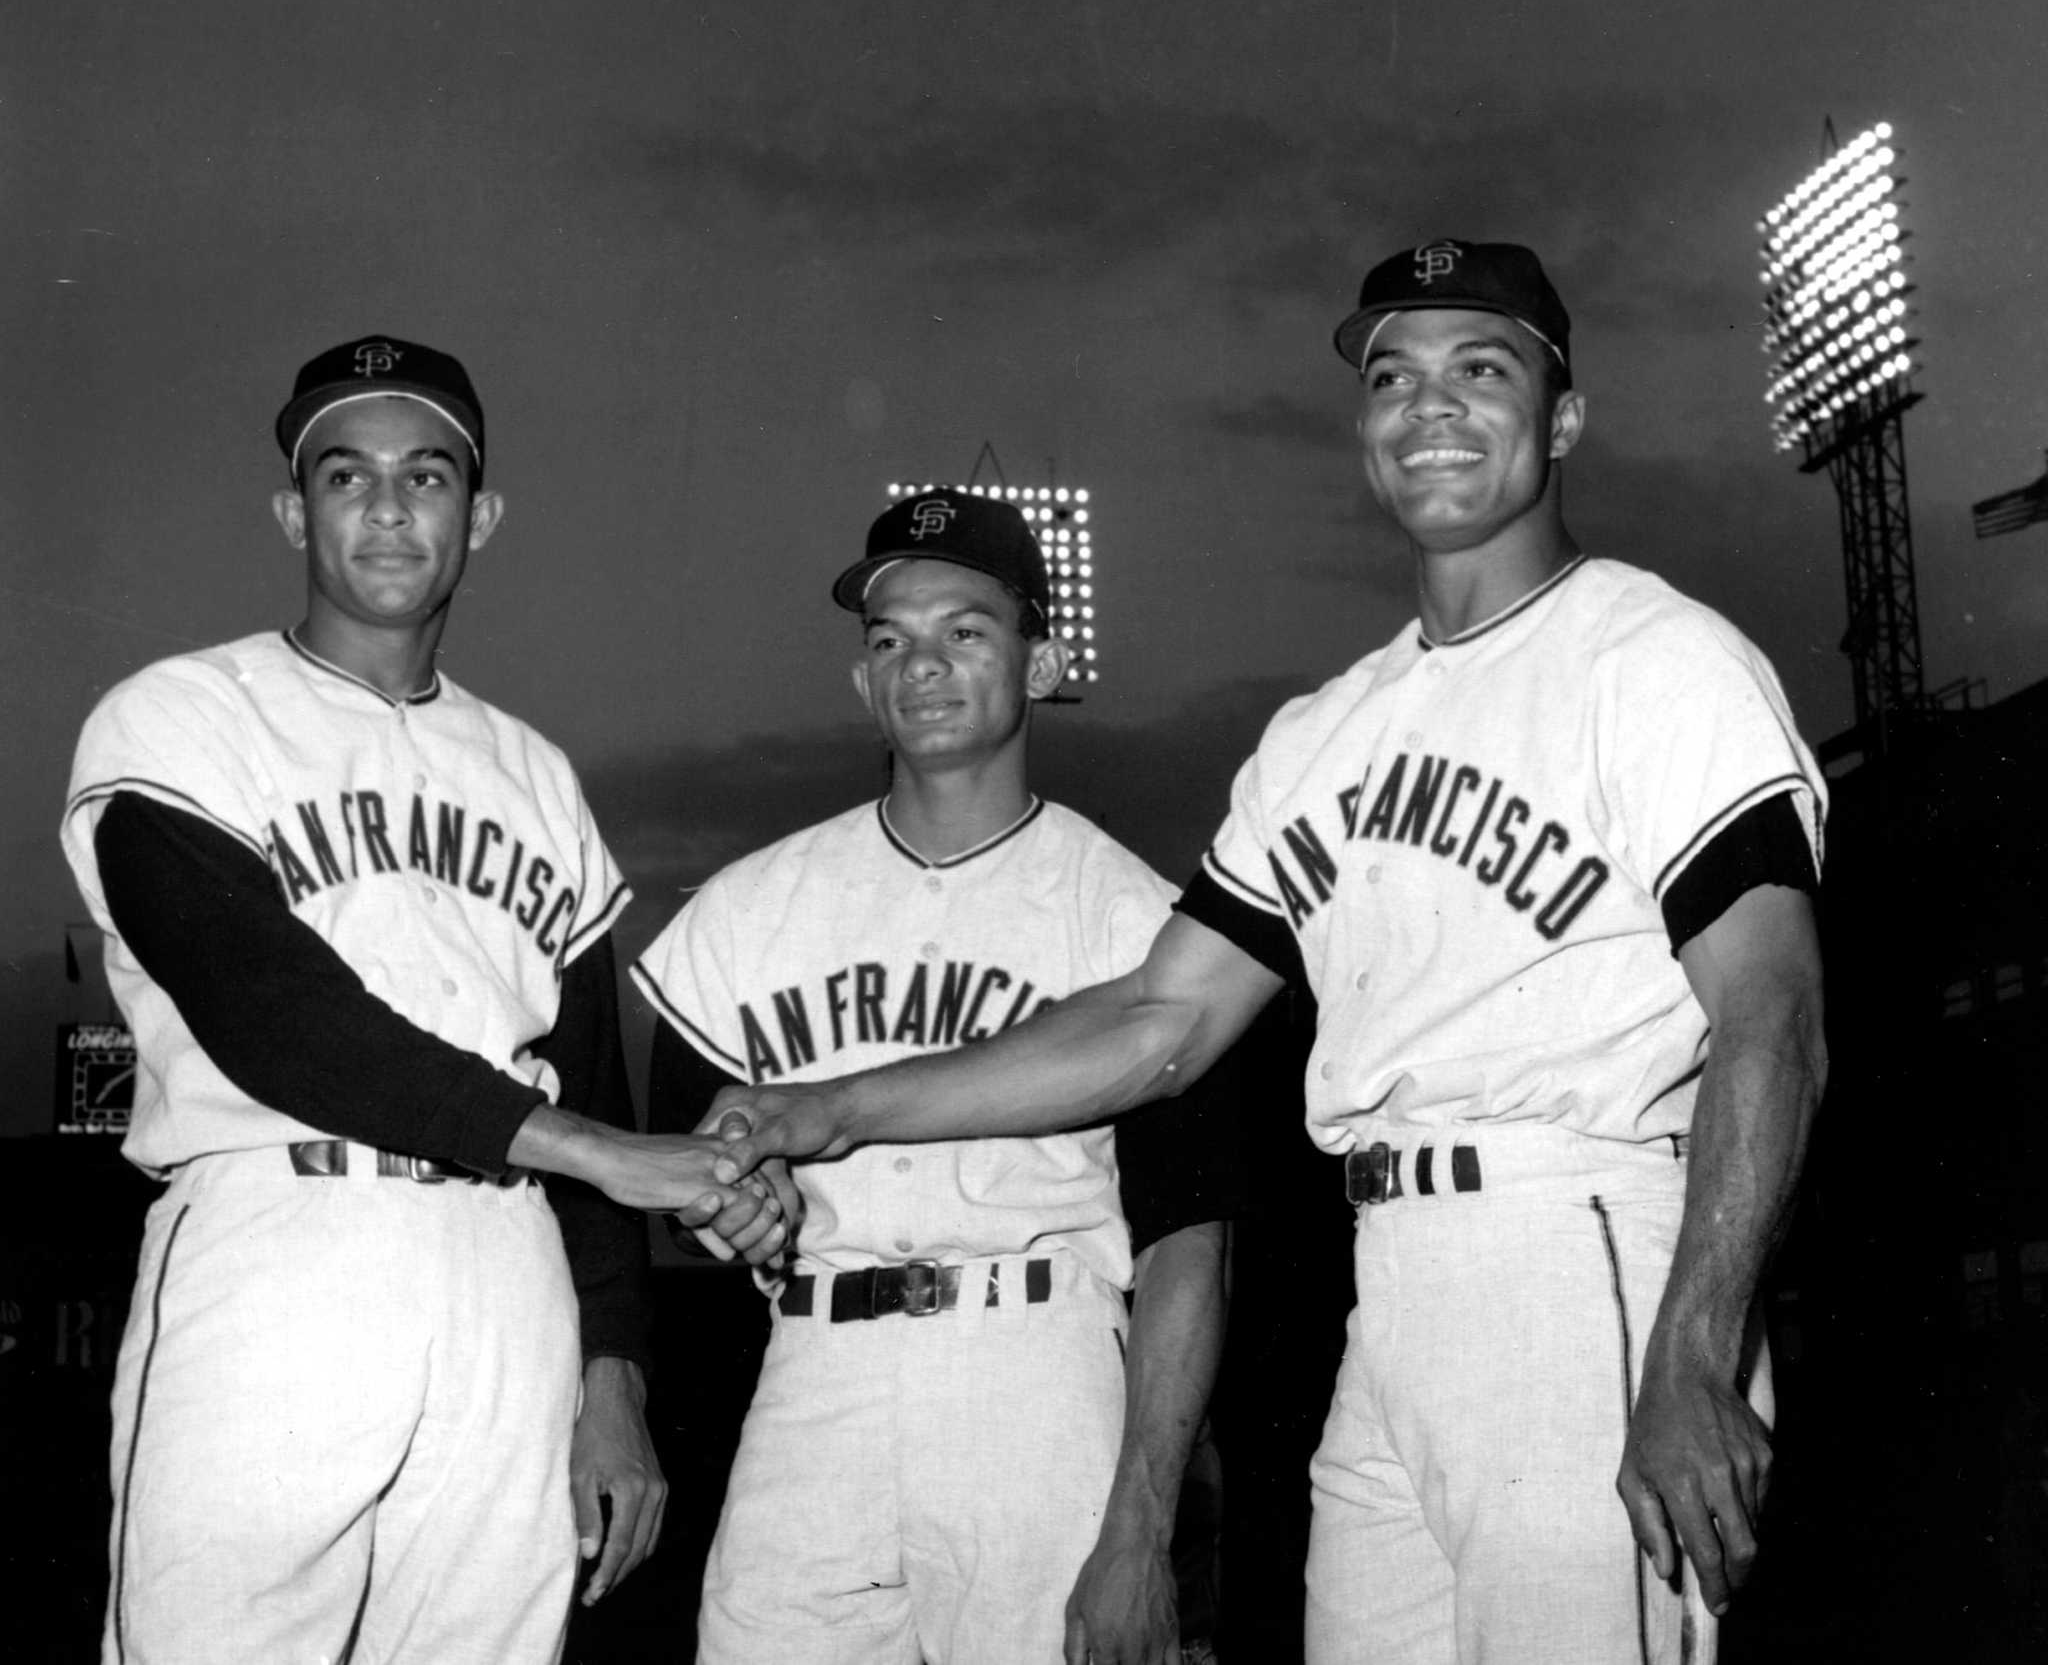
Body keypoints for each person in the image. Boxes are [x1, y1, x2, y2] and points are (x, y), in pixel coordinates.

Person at [704, 241, 1831, 1664]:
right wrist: (832, 1108)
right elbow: (1155, 1016)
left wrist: (1693, 1346)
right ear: (1363, 429)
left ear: (1563, 420)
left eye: (1482, 368)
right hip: (1392, 1284)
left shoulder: (1655, 660)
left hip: (1583, 1245)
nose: (1430, 405)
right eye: (1392, 377)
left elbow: (1773, 1013)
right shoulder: (1325, 736)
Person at [60, 335, 786, 1665]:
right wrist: (599, 1152)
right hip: (283, 1232)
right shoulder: (178, 719)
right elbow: (275, 1013)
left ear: (480, 518)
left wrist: (611, 1379)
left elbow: (591, 1086)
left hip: (509, 1276)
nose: (390, 508)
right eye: (348, 476)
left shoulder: (534, 773)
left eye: (429, 477)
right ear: (295, 511)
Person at [634, 490, 1244, 1664]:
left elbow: (1188, 1246)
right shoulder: (748, 907)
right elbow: (688, 1175)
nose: (922, 664)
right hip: (815, 1377)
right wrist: (733, 1209)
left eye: (964, 631)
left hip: (1037, 1373)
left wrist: (1140, 1524)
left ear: (1040, 661)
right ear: (862, 682)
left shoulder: (1132, 920)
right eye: (889, 640)